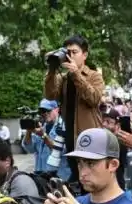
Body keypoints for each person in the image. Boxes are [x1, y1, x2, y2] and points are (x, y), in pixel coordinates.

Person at [44, 34, 105, 181]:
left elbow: (94, 99)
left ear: (85, 55)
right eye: (67, 52)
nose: (70, 56)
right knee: (77, 179)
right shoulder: (64, 79)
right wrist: (52, 70)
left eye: (74, 52)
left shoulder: (94, 76)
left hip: (90, 139)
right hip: (70, 138)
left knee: (92, 179)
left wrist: (76, 74)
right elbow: (50, 95)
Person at [21, 99, 69, 178]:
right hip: (41, 174)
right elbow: (29, 148)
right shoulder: (42, 126)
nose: (45, 113)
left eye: (48, 110)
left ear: (57, 110)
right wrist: (29, 130)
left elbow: (60, 150)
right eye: (42, 111)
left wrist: (44, 136)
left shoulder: (63, 126)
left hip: (59, 176)